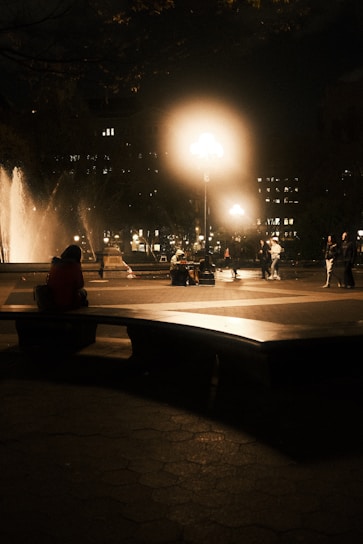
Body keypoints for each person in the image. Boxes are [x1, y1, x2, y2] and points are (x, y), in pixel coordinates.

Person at [46, 244, 89, 309]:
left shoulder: (55, 264)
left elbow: (49, 282)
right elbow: (80, 284)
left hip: (52, 300)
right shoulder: (74, 266)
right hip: (68, 302)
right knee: (83, 293)